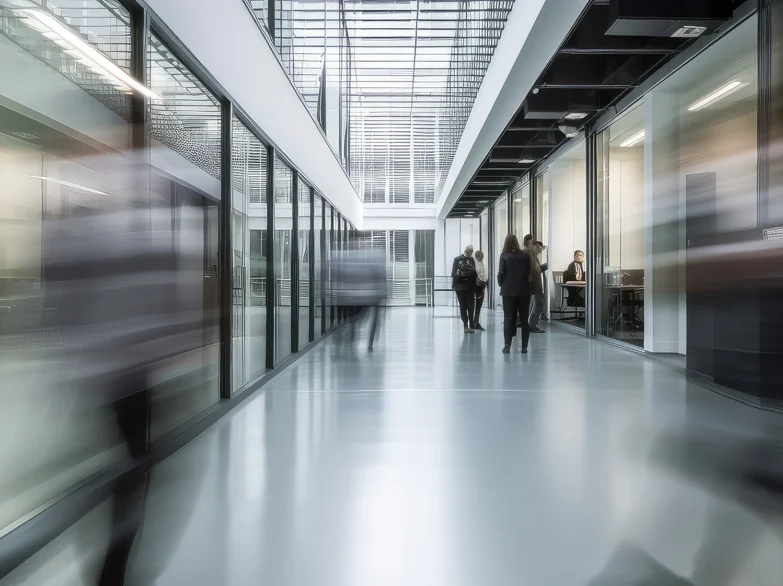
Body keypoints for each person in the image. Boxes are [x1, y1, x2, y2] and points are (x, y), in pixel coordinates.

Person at [497, 234, 532, 354]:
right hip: (523, 291)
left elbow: (501, 273)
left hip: (508, 291)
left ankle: (507, 346)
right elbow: (528, 273)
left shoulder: (504, 256)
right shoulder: (525, 256)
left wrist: (502, 284)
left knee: (508, 318)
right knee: (524, 320)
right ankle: (524, 348)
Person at [451, 245, 477, 333]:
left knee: (471, 305)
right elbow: (453, 273)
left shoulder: (472, 260)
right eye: (469, 251)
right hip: (460, 286)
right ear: (466, 251)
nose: (470, 253)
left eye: (471, 251)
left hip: (470, 286)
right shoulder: (457, 259)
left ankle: (471, 323)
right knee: (462, 305)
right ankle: (465, 324)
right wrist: (460, 272)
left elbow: (474, 273)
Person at [527, 239, 548, 334]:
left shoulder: (535, 258)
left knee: (537, 304)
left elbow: (538, 269)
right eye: (539, 249)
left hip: (536, 284)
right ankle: (531, 325)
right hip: (533, 284)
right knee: (534, 304)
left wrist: (547, 265)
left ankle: (532, 325)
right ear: (534, 246)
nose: (540, 252)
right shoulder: (529, 257)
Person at [473, 250, 488, 331]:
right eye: (480, 256)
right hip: (478, 287)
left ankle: (476, 322)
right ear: (476, 257)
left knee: (479, 305)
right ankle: (475, 322)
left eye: (482, 256)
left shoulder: (481, 264)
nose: (481, 258)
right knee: (477, 305)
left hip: (481, 286)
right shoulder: (476, 264)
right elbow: (479, 274)